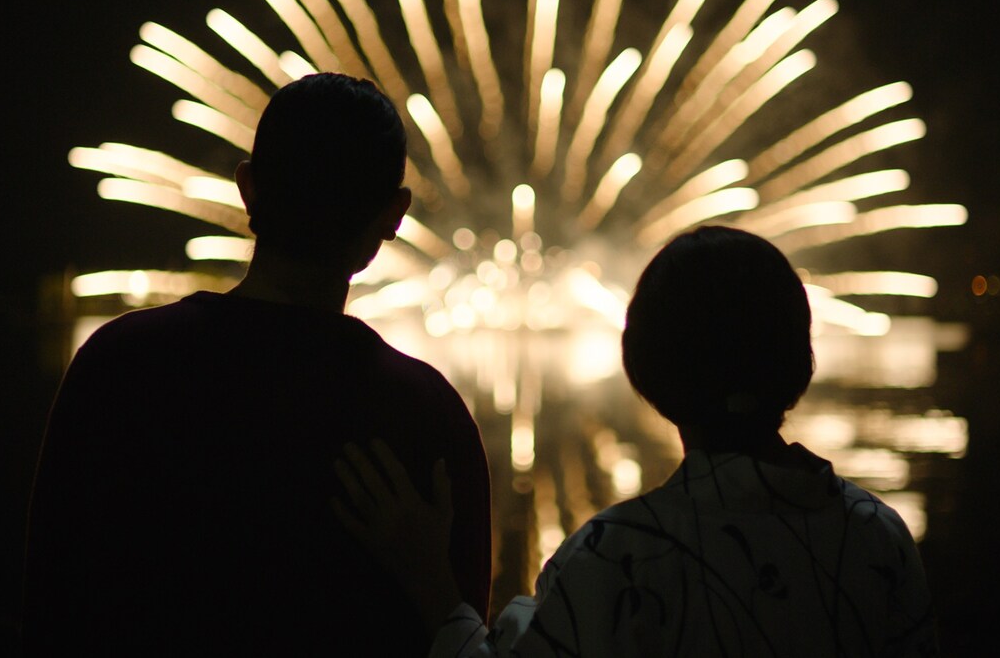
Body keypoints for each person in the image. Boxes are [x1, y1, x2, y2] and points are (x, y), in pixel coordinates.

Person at [23, 73, 491, 656]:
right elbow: (465, 631)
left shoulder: (116, 366)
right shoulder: (429, 415)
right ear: (395, 214)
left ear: (247, 190)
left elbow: (47, 604)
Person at [336, 226, 937, 657]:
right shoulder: (879, 537)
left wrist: (436, 589)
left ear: (648, 373)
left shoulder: (615, 556)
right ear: (800, 363)